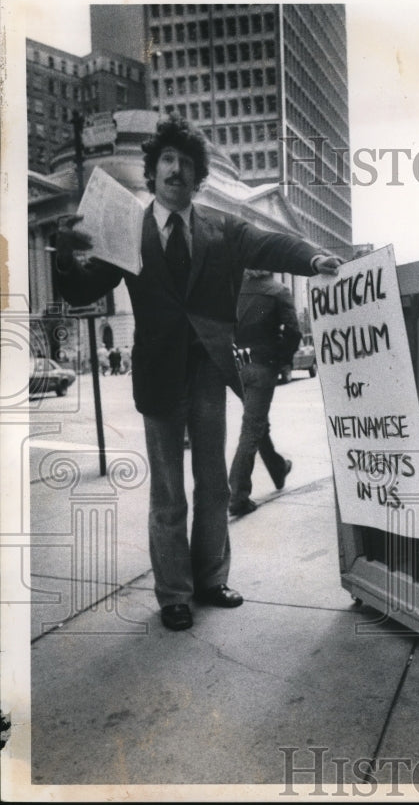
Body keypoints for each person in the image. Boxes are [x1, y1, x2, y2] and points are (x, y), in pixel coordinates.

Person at [53, 114, 341, 632]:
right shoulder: (128, 232)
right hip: (158, 375)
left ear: (197, 176)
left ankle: (211, 579)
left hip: (210, 371)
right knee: (168, 491)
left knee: (212, 483)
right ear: (153, 170)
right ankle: (175, 595)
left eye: (186, 163)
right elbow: (81, 289)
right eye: (168, 160)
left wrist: (314, 255)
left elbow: (269, 244)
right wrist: (66, 257)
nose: (177, 170)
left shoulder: (222, 228)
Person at [227, 269, 301, 517]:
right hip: (262, 365)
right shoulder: (279, 291)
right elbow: (294, 332)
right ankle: (238, 495)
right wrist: (281, 358)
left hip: (238, 366)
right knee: (252, 426)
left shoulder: (235, 289)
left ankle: (278, 469)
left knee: (257, 423)